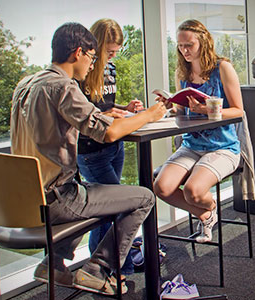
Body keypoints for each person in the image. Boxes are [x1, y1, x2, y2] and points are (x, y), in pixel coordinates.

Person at [10, 22, 166, 296]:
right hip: (56, 201)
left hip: (23, 202)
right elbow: (109, 133)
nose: (93, 65)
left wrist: (110, 113)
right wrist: (150, 115)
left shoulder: (26, 84)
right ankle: (98, 269)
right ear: (78, 53)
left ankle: (54, 262)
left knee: (88, 190)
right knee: (145, 198)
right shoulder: (63, 86)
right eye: (92, 58)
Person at [154, 19, 243, 243]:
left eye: (189, 45)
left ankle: (210, 206)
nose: (184, 50)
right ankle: (205, 212)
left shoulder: (222, 68)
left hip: (222, 147)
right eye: (180, 46)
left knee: (192, 191)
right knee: (161, 187)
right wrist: (170, 106)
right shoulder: (182, 73)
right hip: (191, 146)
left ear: (203, 42)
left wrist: (207, 110)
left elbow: (239, 111)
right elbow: (182, 114)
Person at [77, 19, 143, 276]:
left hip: (114, 146)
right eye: (109, 51)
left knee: (107, 214)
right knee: (118, 208)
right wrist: (109, 114)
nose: (113, 56)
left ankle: (105, 270)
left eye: (116, 52)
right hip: (91, 152)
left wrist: (125, 110)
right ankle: (115, 270)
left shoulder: (111, 69)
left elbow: (104, 106)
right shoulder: (81, 73)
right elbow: (84, 117)